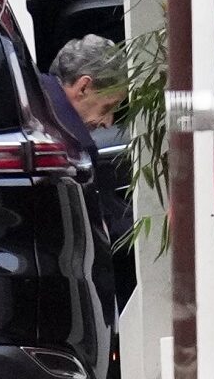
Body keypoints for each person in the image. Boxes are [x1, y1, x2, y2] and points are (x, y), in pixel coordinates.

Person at [39, 34, 137, 302]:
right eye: (108, 107)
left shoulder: (34, 98)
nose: (108, 122)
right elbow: (101, 227)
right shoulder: (75, 145)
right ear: (83, 87)